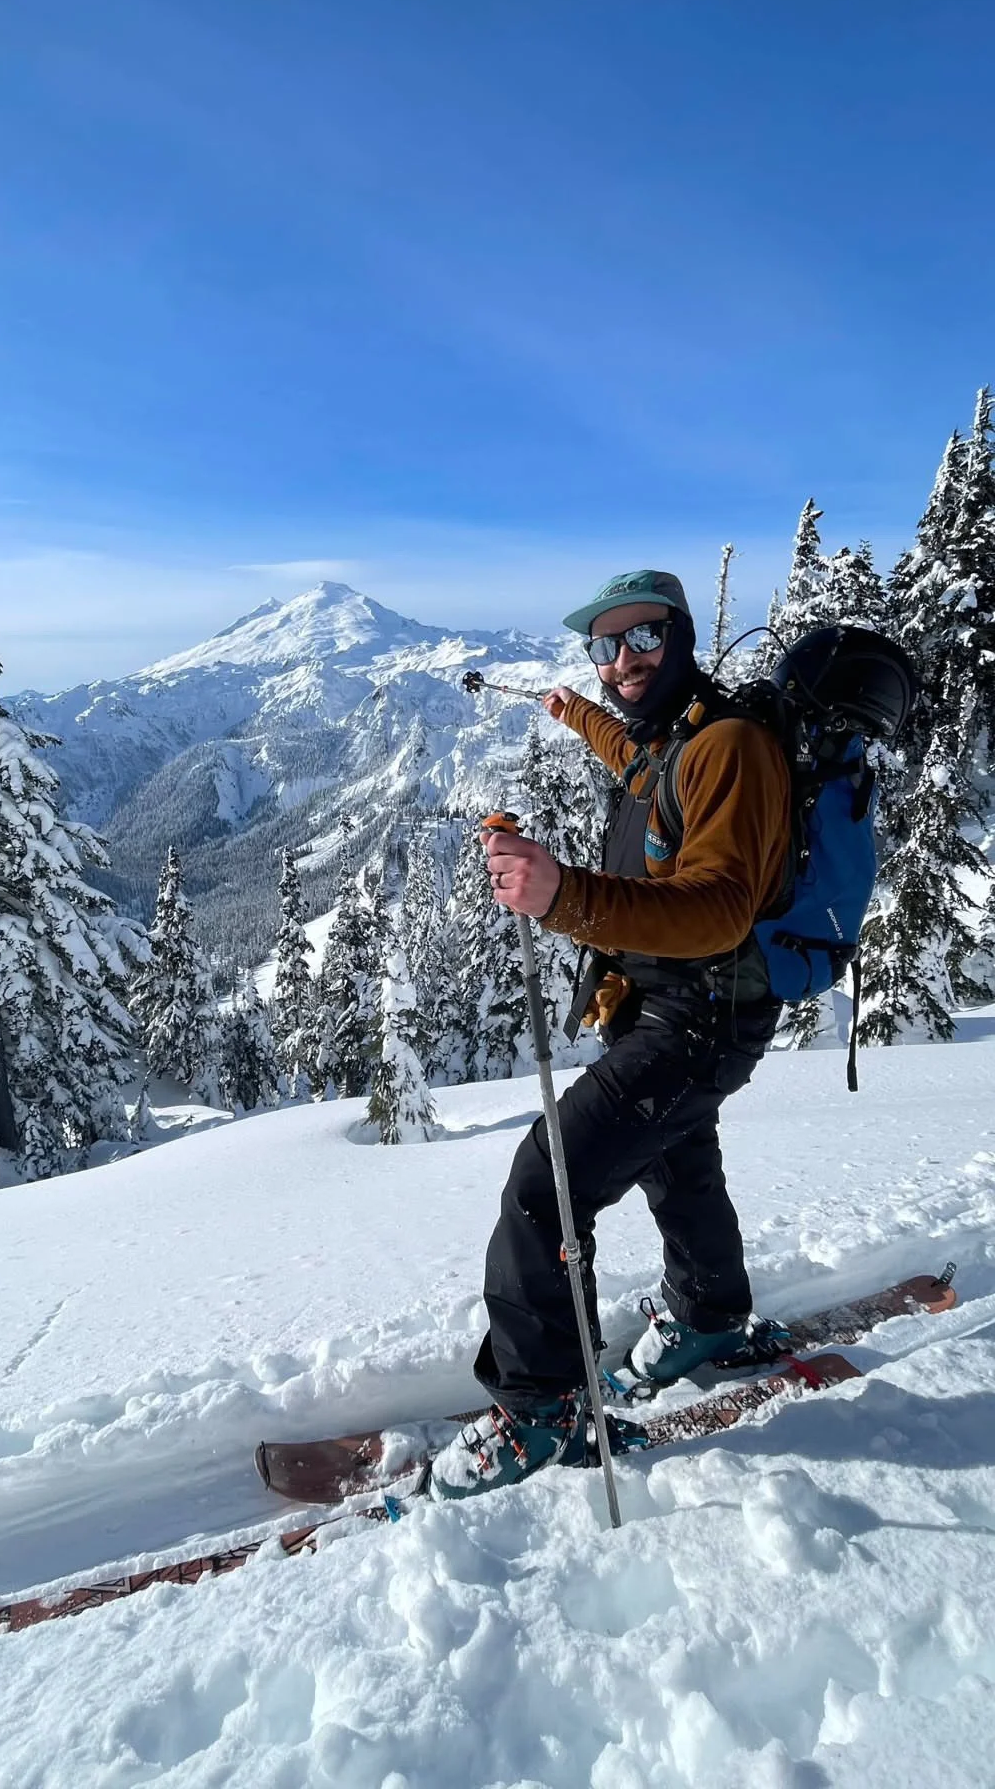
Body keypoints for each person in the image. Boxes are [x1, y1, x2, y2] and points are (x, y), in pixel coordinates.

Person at [429, 568, 792, 1502]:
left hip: (702, 1014)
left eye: (641, 640)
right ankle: (710, 1315)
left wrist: (565, 896)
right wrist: (570, 712)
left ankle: (542, 1409)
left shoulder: (731, 748)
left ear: (680, 637)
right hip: (670, 1006)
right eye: (604, 646)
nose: (621, 663)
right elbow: (631, 756)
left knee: (547, 1180)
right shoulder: (670, 742)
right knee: (678, 1154)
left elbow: (716, 909)